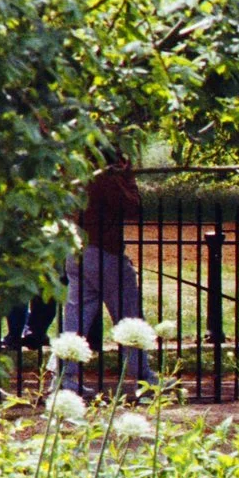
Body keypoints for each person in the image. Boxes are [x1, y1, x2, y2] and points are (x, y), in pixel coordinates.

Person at [63, 164, 150, 391]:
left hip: (76, 249)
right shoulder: (106, 175)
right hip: (104, 250)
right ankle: (144, 377)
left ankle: (63, 377)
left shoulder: (77, 168)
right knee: (129, 315)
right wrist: (127, 178)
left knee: (76, 317)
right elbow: (132, 206)